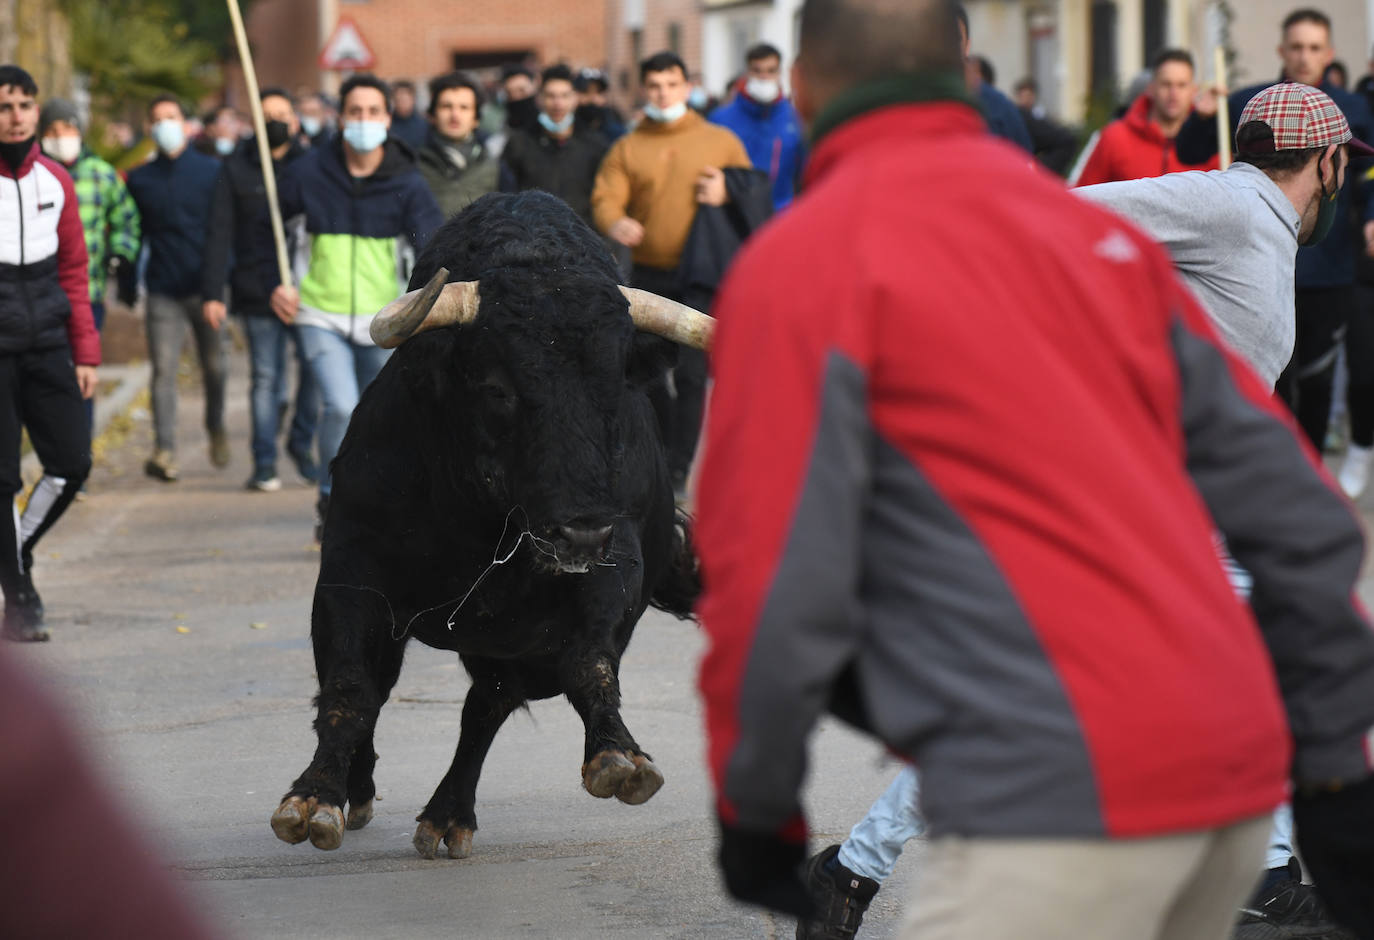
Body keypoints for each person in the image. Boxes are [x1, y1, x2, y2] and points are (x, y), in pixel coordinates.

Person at [695, 4, 1374, 940]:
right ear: (1328, 162)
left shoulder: (1252, 233)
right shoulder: (1228, 204)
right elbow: (1068, 216)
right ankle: (858, 868)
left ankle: (854, 870)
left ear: (807, 89)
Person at [1176, 8, 1374, 455]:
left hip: (1328, 268)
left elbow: (1369, 179)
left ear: (1329, 53)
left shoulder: (1355, 110)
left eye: (1313, 48)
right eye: (1296, 46)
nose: (1304, 56)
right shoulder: (1251, 103)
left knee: (1318, 380)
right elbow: (1190, 149)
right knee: (1268, 383)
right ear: (1282, 50)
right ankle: (1271, 470)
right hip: (1259, 261)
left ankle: (1310, 471)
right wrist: (1203, 117)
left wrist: (1371, 216)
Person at [272, 73, 442, 539]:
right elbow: (268, 235)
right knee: (341, 405)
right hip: (317, 312)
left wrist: (422, 305)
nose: (364, 120)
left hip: (383, 320)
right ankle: (331, 497)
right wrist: (277, 283)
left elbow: (431, 249)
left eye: (373, 112)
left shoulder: (408, 182)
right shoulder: (306, 175)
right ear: (340, 118)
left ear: (387, 120)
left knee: (380, 415)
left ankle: (375, 498)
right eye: (355, 112)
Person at [590, 50, 750, 493]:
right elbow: (606, 197)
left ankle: (680, 467)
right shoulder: (627, 146)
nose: (663, 94)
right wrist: (615, 222)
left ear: (687, 87)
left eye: (672, 85)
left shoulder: (720, 140)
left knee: (694, 374)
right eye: (655, 86)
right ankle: (658, 453)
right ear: (644, 90)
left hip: (701, 275)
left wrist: (728, 190)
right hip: (648, 275)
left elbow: (752, 189)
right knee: (649, 372)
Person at [0, 65, 100, 642]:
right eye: (4, 106)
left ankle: (14, 553)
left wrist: (86, 352)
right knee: (1, 479)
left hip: (47, 346)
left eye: (24, 105)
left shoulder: (55, 181)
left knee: (72, 463)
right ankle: (19, 596)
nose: (16, 117)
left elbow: (74, 271)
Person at [200, 87, 319, 492]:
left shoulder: (313, 167)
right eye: (267, 116)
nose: (275, 123)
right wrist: (213, 292)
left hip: (309, 290)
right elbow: (219, 232)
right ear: (253, 122)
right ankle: (264, 461)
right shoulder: (235, 168)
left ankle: (301, 442)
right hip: (255, 289)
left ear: (295, 121)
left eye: (282, 115)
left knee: (314, 371)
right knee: (266, 377)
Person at [126, 93, 229, 483]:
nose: (164, 124)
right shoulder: (140, 179)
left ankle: (215, 424)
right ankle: (165, 449)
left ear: (186, 124)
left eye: (171, 117)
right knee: (163, 371)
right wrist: (128, 284)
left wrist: (216, 290)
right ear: (148, 128)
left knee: (215, 367)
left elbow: (221, 233)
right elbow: (134, 234)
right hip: (163, 290)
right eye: (157, 119)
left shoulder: (211, 171)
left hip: (206, 289)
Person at [37, 97, 140, 448]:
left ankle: (78, 452)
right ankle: (53, 451)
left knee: (82, 373)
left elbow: (127, 220)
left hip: (87, 295)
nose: (60, 136)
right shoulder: (33, 176)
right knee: (46, 379)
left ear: (79, 131)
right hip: (39, 296)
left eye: (67, 128)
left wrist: (120, 254)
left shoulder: (101, 174)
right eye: (52, 130)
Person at [1074, 49, 1218, 187]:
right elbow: (1082, 197)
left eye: (1181, 85)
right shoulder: (1115, 138)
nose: (1174, 94)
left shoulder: (1211, 144)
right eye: (1166, 84)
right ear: (1151, 88)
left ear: (1194, 90)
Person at [501, 64, 608, 225]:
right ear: (539, 99)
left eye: (565, 96)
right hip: (532, 232)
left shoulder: (595, 145)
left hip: (582, 233)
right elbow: (506, 194)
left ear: (575, 99)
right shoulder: (519, 143)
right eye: (550, 96)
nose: (558, 103)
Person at [709, 43, 807, 211]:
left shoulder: (795, 119)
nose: (764, 77)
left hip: (780, 214)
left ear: (779, 73)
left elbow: (805, 173)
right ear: (747, 72)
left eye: (771, 71)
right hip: (735, 216)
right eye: (757, 70)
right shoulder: (720, 119)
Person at [416, 70, 500, 219]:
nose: (455, 115)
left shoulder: (495, 167)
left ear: (476, 119)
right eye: (446, 106)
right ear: (432, 115)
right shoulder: (414, 165)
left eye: (464, 107)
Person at [955, 6, 1031, 152]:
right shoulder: (909, 105)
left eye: (954, 38)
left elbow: (1023, 159)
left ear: (967, 45)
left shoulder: (999, 109)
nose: (944, 46)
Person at [1011, 77, 1078, 176]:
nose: (1026, 100)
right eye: (1023, 96)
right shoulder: (1014, 117)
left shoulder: (1040, 117)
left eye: (1029, 96)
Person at [574, 68, 626, 143]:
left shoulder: (614, 128)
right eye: (586, 91)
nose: (593, 98)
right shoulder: (567, 128)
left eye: (598, 92)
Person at [388, 79, 428, 151]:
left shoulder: (424, 125)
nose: (402, 103)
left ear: (413, 99)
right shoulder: (388, 124)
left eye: (405, 100)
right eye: (399, 100)